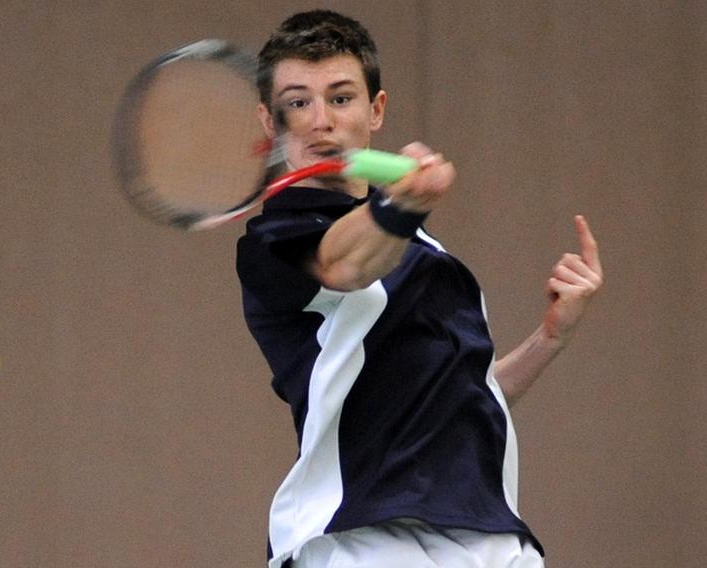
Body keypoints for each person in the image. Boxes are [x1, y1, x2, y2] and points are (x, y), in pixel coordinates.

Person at [235, 10, 604, 568]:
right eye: (297, 102)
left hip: (489, 537)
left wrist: (548, 339)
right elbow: (342, 266)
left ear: (375, 110)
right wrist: (398, 204)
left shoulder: (421, 249)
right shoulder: (275, 241)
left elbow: (457, 398)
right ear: (270, 122)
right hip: (362, 538)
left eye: (340, 98)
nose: (319, 122)